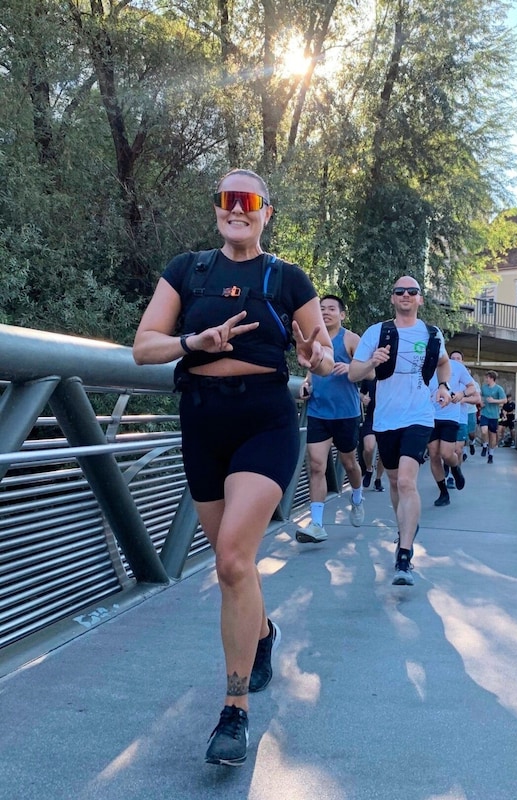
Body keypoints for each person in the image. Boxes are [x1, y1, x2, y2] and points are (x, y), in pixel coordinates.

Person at [132, 168, 333, 768]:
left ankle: (234, 711)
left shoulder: (286, 276)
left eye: (248, 201)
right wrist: (196, 342)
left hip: (265, 424)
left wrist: (312, 354)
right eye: (226, 200)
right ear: (217, 209)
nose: (236, 209)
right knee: (234, 573)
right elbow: (144, 347)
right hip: (201, 422)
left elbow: (324, 357)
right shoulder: (187, 270)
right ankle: (264, 633)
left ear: (267, 212)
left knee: (232, 560)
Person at [348, 276, 451, 586]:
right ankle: (405, 525)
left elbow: (443, 363)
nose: (406, 295)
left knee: (407, 480)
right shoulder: (376, 332)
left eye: (412, 292)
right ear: (392, 298)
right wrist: (371, 363)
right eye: (399, 291)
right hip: (385, 418)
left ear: (420, 299)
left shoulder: (432, 334)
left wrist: (443, 386)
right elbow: (353, 373)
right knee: (394, 480)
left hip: (420, 416)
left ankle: (404, 556)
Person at [296, 295, 364, 543]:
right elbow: (310, 374)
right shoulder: (316, 339)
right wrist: (305, 385)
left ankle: (357, 496)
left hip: (346, 413)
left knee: (349, 463)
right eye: (322, 308)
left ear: (342, 314)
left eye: (331, 309)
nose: (326, 312)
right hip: (318, 411)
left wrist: (351, 369)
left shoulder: (351, 339)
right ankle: (316, 524)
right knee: (316, 465)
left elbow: (372, 370)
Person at [428, 353, 476, 506]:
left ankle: (455, 468)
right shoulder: (424, 365)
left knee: (446, 453)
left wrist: (461, 394)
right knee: (434, 454)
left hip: (450, 416)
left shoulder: (456, 366)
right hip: (429, 416)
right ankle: (443, 493)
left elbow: (472, 387)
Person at [359, 377, 386, 491]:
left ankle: (378, 480)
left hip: (387, 418)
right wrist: (363, 398)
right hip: (371, 417)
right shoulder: (370, 375)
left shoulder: (392, 375)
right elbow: (361, 393)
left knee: (384, 453)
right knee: (368, 448)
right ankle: (369, 469)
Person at [479, 370, 506, 464]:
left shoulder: (499, 389)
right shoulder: (483, 387)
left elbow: (504, 400)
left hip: (494, 415)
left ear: (492, 378)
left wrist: (494, 401)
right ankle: (485, 445)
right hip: (484, 413)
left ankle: (491, 455)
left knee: (493, 435)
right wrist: (480, 402)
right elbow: (479, 396)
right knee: (484, 430)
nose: (486, 379)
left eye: (487, 378)